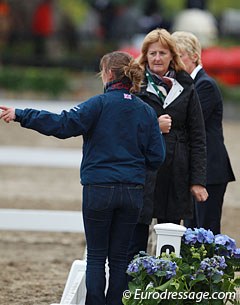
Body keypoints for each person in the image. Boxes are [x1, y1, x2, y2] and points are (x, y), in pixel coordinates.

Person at [0, 51, 166, 305]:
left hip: (99, 188)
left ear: (108, 74)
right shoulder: (145, 111)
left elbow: (62, 125)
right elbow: (157, 157)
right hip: (132, 191)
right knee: (120, 258)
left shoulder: (97, 105)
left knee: (97, 256)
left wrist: (22, 114)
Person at [128, 28, 208, 260]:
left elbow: (198, 136)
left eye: (162, 53)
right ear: (145, 55)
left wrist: (198, 180)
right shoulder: (135, 85)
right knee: (136, 238)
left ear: (172, 56)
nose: (157, 58)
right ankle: (132, 289)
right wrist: (154, 125)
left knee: (170, 240)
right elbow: (125, 126)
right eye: (152, 53)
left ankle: (165, 291)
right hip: (142, 170)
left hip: (176, 170)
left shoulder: (187, 86)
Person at [172, 31, 235, 234]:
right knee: (191, 229)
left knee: (205, 229)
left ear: (194, 56)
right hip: (196, 168)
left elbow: (187, 122)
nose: (176, 62)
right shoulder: (187, 84)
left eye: (180, 56)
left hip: (210, 169)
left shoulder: (204, 85)